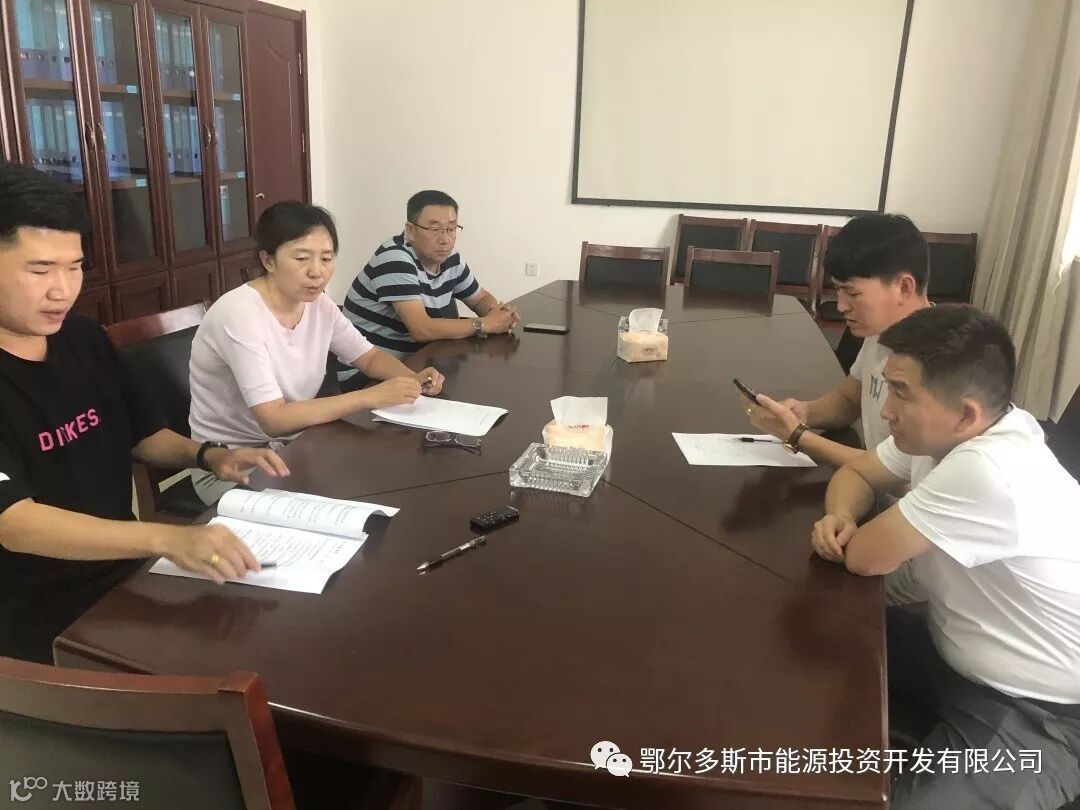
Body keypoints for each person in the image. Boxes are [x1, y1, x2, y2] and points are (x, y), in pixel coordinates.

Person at [0, 162, 285, 663]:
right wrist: (165, 538)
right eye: (40, 270)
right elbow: (13, 521)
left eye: (74, 267)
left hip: (120, 577)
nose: (62, 289)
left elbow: (141, 434)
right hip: (34, 619)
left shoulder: (82, 339)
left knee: (264, 629)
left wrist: (209, 455)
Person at [811, 305, 1080, 809]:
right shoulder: (956, 433)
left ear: (966, 414)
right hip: (952, 650)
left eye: (901, 392)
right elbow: (857, 473)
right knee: (807, 639)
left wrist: (853, 535)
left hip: (1042, 710)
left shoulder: (989, 468)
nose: (886, 411)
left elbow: (865, 558)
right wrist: (841, 514)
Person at [188, 201, 446, 505]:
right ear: (268, 261)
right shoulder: (239, 315)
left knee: (394, 476)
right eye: (301, 258)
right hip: (236, 465)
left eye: (326, 258)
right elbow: (274, 419)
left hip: (296, 445)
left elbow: (368, 357)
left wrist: (412, 379)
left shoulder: (318, 304)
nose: (317, 272)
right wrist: (370, 396)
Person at [742, 214, 932, 466]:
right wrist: (804, 412)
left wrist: (797, 436)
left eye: (852, 293)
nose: (841, 306)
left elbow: (894, 471)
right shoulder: (881, 332)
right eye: (838, 290)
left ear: (904, 287)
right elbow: (848, 400)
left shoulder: (939, 364)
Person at [338, 190, 518, 389]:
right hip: (367, 374)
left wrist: (497, 314)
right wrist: (485, 324)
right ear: (411, 230)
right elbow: (421, 329)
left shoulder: (450, 257)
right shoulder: (394, 258)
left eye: (451, 229)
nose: (445, 239)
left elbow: (480, 297)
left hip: (418, 362)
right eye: (434, 229)